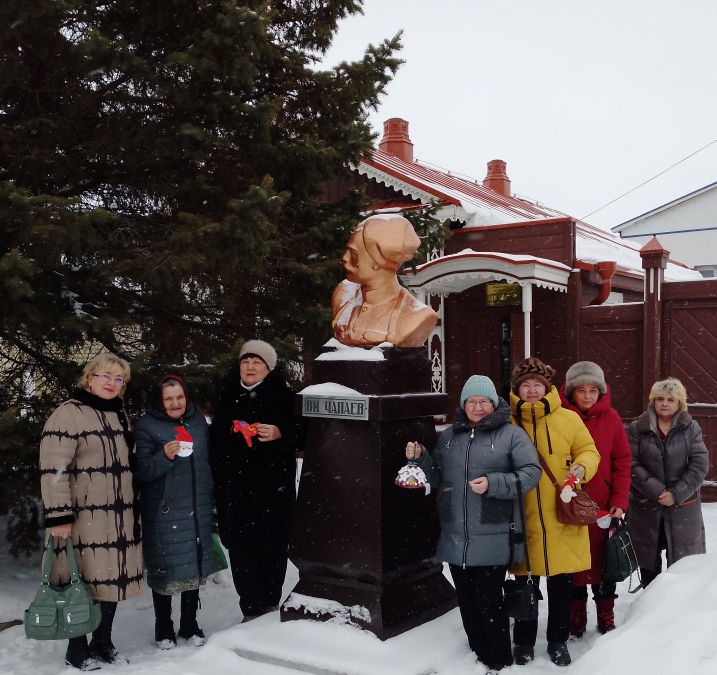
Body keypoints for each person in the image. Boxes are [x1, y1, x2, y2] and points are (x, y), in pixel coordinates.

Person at [408, 375, 541, 673]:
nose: (478, 407)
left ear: (494, 404)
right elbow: (438, 477)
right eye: (472, 401)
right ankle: (478, 655)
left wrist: (494, 483)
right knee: (467, 602)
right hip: (456, 534)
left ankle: (499, 660)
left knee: (489, 601)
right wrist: (422, 458)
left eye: (483, 401)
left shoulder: (511, 434)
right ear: (463, 404)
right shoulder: (450, 436)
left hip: (494, 533)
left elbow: (531, 473)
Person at [40, 354, 143, 671]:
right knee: (79, 582)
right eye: (106, 376)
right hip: (82, 518)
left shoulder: (117, 414)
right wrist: (59, 515)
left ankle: (102, 641)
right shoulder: (68, 414)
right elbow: (54, 470)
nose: (112, 383)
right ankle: (77, 649)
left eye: (119, 379)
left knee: (110, 579)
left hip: (118, 517)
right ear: (89, 378)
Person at [509, 357, 600, 667]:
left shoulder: (568, 418)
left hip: (561, 512)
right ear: (517, 389)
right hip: (522, 515)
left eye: (538, 384)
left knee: (561, 584)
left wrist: (582, 466)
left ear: (547, 387)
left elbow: (589, 450)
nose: (532, 390)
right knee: (525, 582)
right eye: (525, 385)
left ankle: (558, 641)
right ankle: (523, 641)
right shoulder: (507, 422)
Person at [210, 339, 298, 622]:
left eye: (257, 362)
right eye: (245, 361)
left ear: (268, 368)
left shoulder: (284, 396)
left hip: (273, 488)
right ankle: (249, 610)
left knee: (273, 548)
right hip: (236, 489)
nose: (250, 367)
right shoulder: (226, 395)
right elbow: (215, 440)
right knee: (242, 551)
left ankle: (270, 604)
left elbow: (304, 433)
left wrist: (280, 433)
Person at [135, 375, 213, 649]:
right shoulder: (146, 425)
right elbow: (142, 471)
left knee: (193, 564)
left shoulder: (198, 422)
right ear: (159, 401)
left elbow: (208, 460)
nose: (175, 403)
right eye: (168, 398)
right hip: (164, 511)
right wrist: (163, 457)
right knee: (165, 569)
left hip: (196, 507)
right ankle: (163, 627)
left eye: (180, 397)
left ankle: (189, 624)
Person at [558, 362, 631, 637]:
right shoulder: (560, 417)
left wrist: (619, 499)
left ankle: (605, 611)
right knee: (574, 563)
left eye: (593, 390)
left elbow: (622, 461)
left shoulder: (611, 418)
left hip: (603, 505)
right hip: (571, 503)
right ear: (571, 391)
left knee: (605, 561)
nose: (588, 396)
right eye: (581, 390)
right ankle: (576, 613)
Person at [626, 378, 708, 587]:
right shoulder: (637, 428)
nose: (664, 404)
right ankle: (649, 602)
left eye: (671, 400)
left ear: (679, 403)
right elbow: (630, 463)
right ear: (653, 401)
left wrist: (675, 494)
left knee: (682, 566)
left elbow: (699, 465)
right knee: (648, 563)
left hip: (682, 507)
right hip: (646, 506)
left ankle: (677, 605)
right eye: (660, 399)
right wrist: (657, 491)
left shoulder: (691, 428)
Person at [331, 215, 437, 347]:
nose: (345, 258)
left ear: (379, 263)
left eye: (353, 254)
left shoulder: (417, 316)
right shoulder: (343, 295)